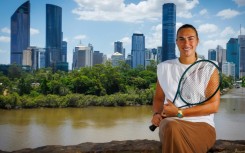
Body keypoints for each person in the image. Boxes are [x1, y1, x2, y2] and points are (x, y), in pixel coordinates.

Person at [150, 24, 220, 153]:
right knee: (171, 126)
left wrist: (179, 112)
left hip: (202, 125)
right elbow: (159, 99)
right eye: (181, 39)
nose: (186, 43)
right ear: (176, 42)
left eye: (190, 38)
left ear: (197, 41)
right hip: (171, 123)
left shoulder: (209, 68)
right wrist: (156, 114)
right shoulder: (164, 67)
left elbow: (213, 106)